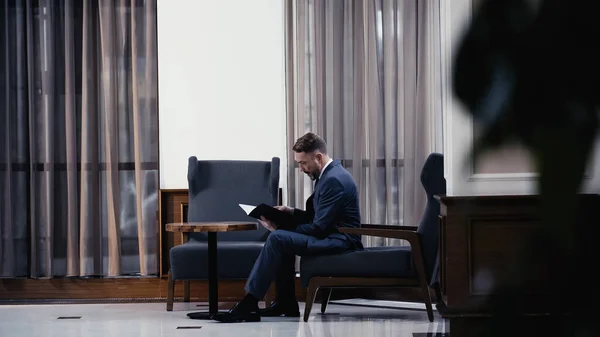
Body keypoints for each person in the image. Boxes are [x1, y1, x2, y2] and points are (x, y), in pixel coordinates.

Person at [214, 132, 363, 323]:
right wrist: (290, 212)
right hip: (331, 234)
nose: (301, 169)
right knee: (281, 237)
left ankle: (249, 303)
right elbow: (318, 218)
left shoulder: (334, 180)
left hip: (341, 241)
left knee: (278, 238)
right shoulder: (329, 174)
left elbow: (318, 228)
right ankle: (285, 302)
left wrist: (278, 229)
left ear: (318, 157)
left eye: (303, 163)